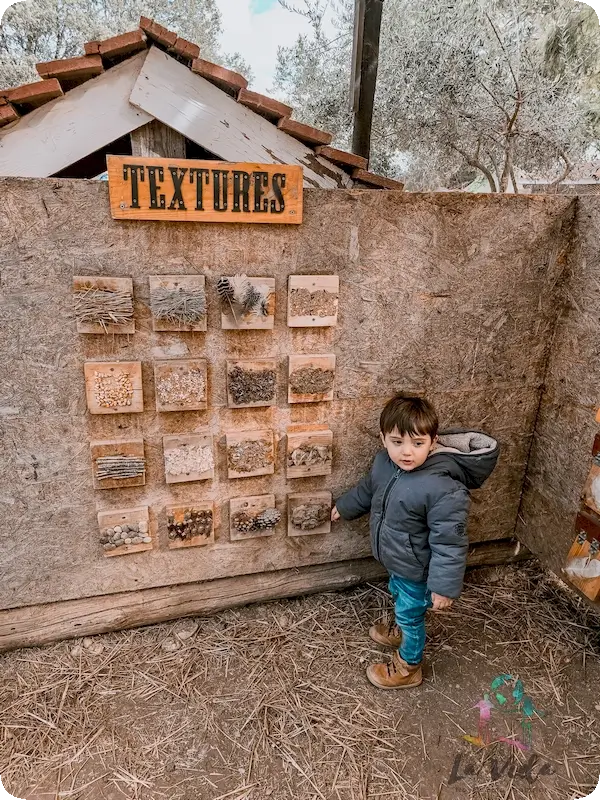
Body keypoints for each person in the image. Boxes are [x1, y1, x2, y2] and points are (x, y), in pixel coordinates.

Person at [331, 394, 499, 690]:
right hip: (399, 561)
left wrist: (443, 587)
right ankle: (400, 628)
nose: (406, 452)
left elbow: (450, 542)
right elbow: (368, 490)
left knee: (411, 615)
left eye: (417, 444)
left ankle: (409, 666)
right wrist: (344, 507)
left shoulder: (443, 487)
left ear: (433, 441)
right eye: (397, 442)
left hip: (418, 570)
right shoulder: (384, 463)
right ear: (383, 438)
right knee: (399, 595)